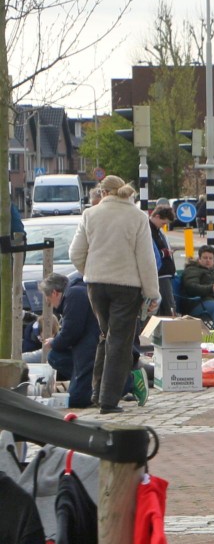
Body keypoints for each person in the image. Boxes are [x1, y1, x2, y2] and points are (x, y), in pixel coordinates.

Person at [67, 175, 156, 415]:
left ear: (103, 192)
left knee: (105, 336)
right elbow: (146, 259)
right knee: (119, 342)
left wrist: (92, 272)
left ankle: (95, 392)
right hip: (126, 287)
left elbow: (75, 253)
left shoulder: (90, 214)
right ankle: (108, 400)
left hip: (96, 285)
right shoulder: (137, 217)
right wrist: (152, 293)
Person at [40, 272, 136, 409]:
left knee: (76, 400)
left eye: (49, 301)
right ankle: (116, 381)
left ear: (55, 293)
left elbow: (71, 332)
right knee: (55, 356)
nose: (52, 306)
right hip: (93, 345)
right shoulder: (77, 291)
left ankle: (126, 382)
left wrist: (54, 342)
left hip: (91, 350)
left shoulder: (74, 296)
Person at [147, 205, 178, 316]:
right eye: (163, 223)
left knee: (163, 307)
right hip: (161, 274)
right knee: (168, 307)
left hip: (164, 273)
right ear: (157, 216)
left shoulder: (156, 230)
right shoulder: (148, 230)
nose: (163, 226)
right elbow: (149, 253)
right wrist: (164, 253)